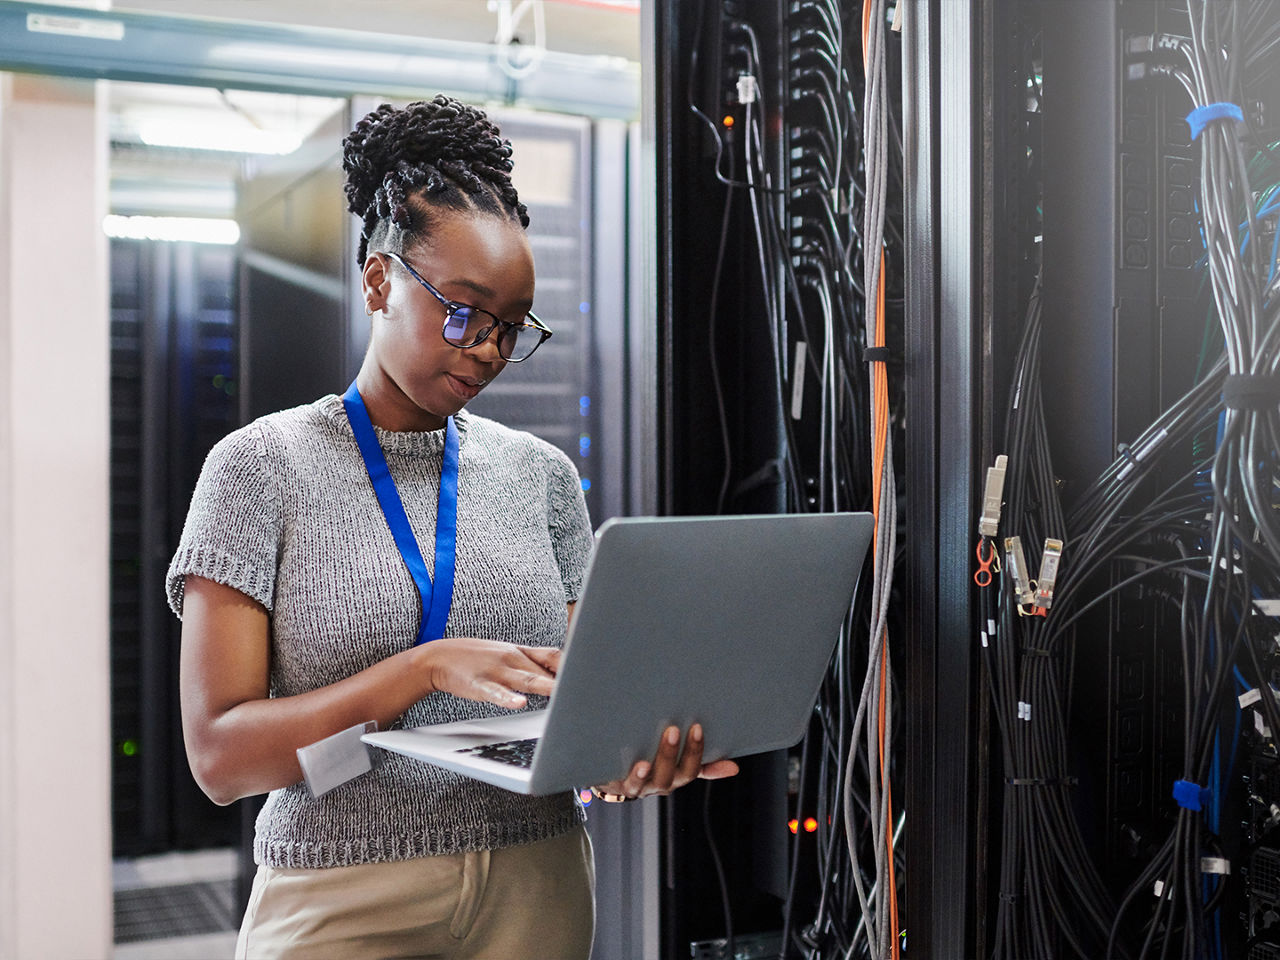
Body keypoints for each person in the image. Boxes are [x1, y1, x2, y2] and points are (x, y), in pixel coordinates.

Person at [167, 94, 737, 960]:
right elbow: (219, 759)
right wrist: (423, 667)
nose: (485, 351)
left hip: (535, 881)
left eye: (511, 329)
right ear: (379, 279)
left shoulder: (541, 477)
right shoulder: (259, 468)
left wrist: (628, 757)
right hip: (339, 893)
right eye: (463, 311)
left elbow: (584, 707)